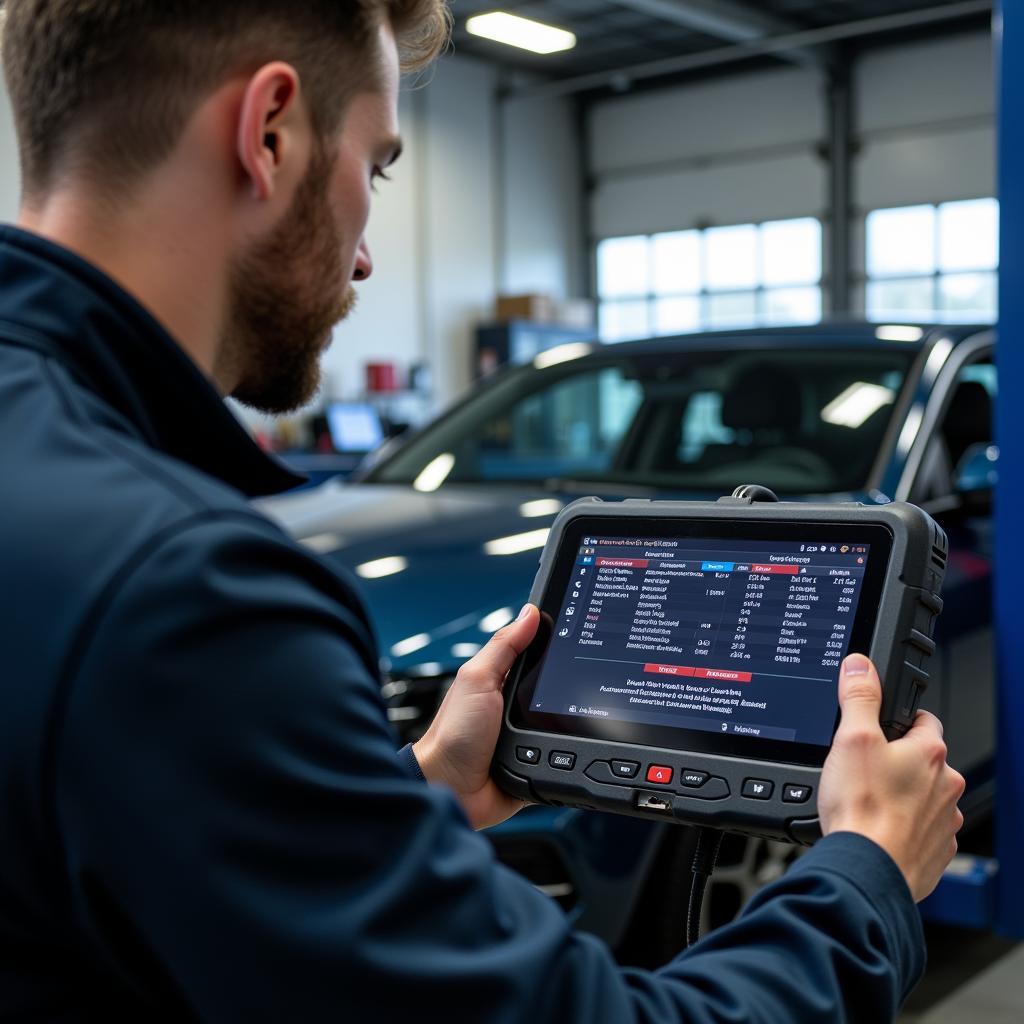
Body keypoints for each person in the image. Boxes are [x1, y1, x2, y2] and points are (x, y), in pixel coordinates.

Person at [0, 1, 965, 1020]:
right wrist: (867, 873)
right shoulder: (184, 587)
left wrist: (401, 804)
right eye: (374, 169)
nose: (365, 257)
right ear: (270, 131)